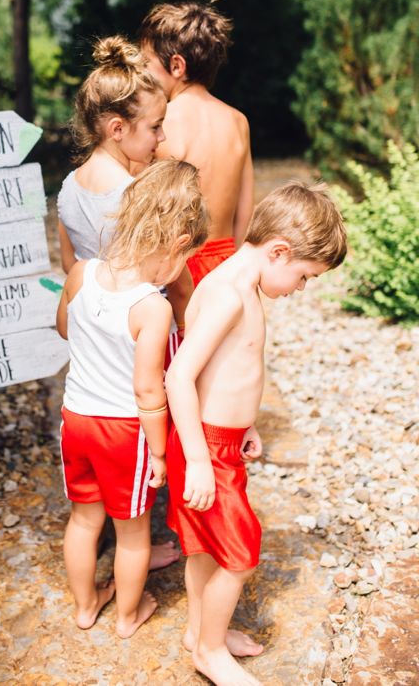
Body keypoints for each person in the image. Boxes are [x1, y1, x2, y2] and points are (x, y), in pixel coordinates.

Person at [165, 183, 347, 685]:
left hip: (220, 439)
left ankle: (202, 632)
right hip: (204, 447)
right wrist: (200, 460)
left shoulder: (239, 285)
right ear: (279, 251)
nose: (301, 287)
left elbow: (225, 373)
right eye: (304, 276)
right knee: (241, 553)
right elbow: (179, 376)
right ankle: (208, 653)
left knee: (206, 547)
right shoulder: (228, 295)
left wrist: (243, 426)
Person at [56, 160, 209, 637]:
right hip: (124, 431)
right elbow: (148, 390)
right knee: (132, 530)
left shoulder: (82, 272)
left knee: (83, 521)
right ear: (179, 245)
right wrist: (160, 451)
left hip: (75, 418)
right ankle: (127, 615)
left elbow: (63, 327)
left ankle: (85, 607)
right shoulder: (153, 307)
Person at [57, 36, 193, 570]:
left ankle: (111, 552)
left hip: (92, 339)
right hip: (141, 333)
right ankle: (140, 540)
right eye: (155, 127)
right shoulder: (138, 196)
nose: (161, 140)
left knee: (92, 485)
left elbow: (72, 267)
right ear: (118, 129)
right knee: (146, 452)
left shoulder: (68, 188)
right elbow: (167, 276)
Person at [139, 0, 254, 286]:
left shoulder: (161, 123)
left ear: (176, 65)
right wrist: (237, 269)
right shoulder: (238, 121)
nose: (141, 73)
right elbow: (245, 209)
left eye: (145, 64)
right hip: (226, 260)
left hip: (177, 268)